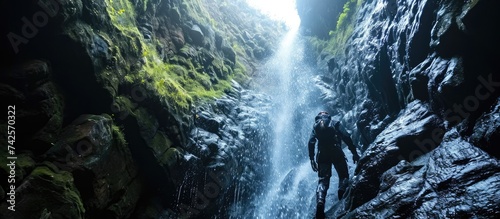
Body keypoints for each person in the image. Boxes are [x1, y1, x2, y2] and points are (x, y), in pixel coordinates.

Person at [308, 111, 360, 218]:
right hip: (336, 151)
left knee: (323, 181)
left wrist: (312, 159)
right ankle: (342, 191)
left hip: (322, 155)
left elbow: (311, 142)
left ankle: (320, 203)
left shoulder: (315, 126)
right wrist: (354, 152)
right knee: (344, 175)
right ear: (327, 115)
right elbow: (346, 136)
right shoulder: (334, 122)